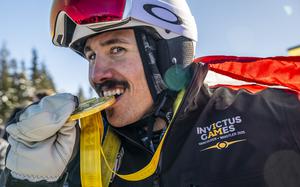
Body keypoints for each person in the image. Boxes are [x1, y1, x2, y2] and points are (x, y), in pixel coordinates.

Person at [1, 0, 300, 187]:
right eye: (91, 56)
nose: (96, 75)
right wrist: (28, 178)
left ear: (166, 52)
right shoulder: (79, 152)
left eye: (116, 49)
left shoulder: (270, 115)